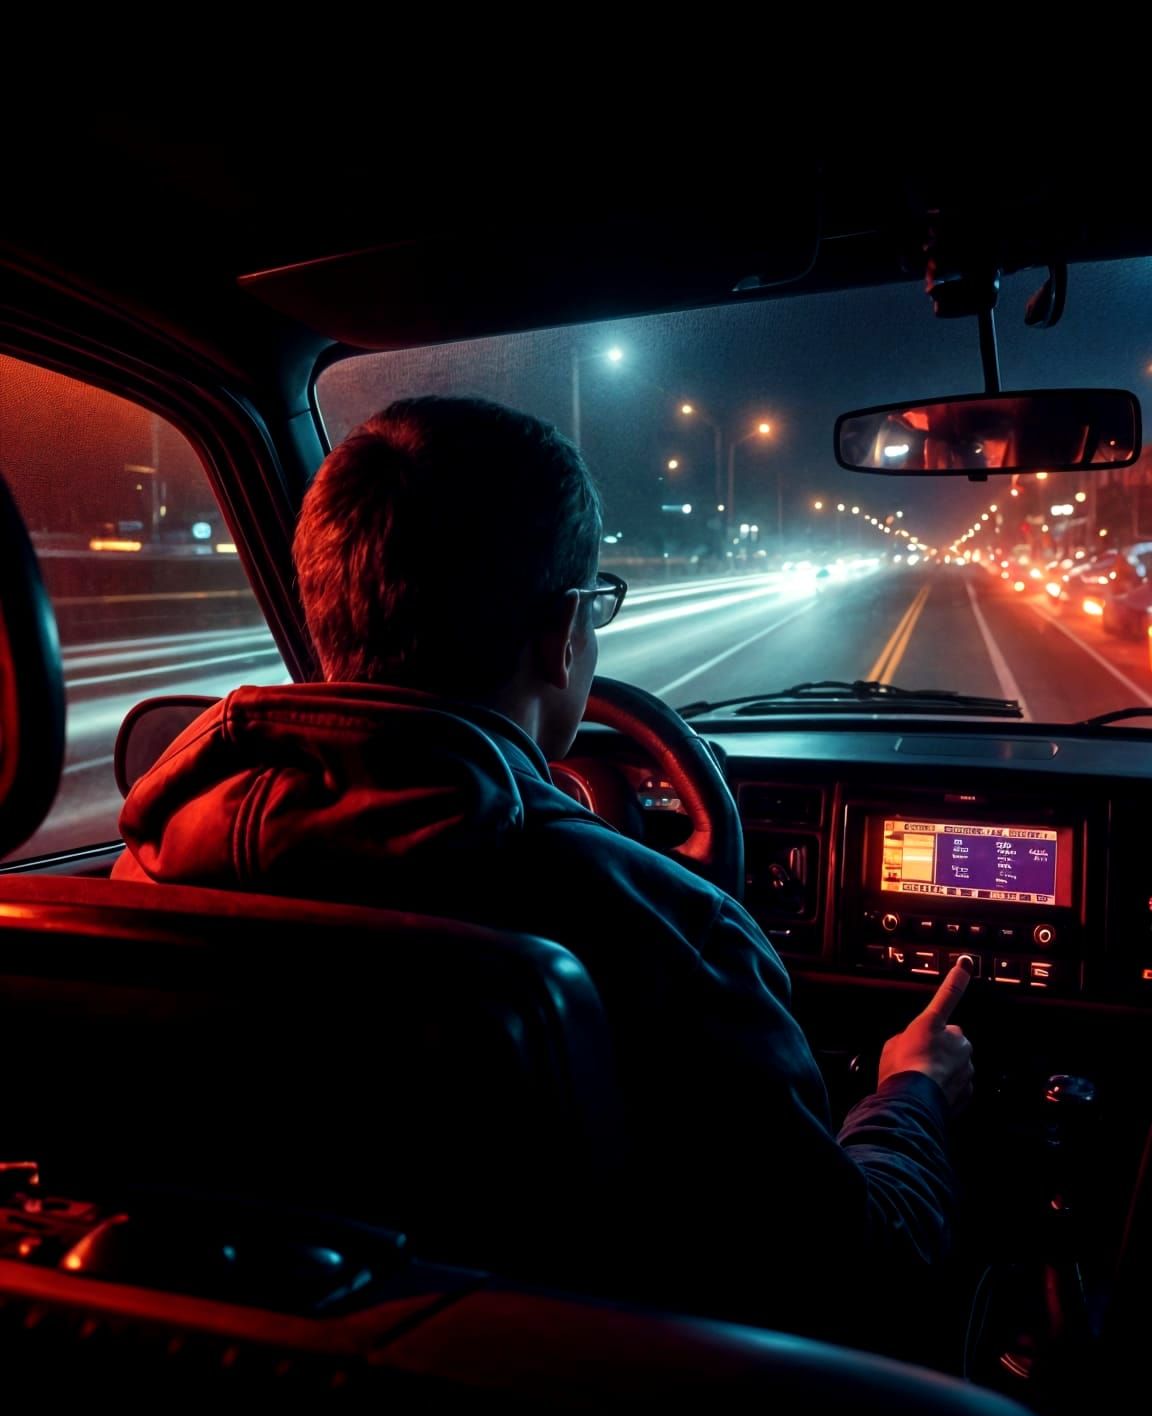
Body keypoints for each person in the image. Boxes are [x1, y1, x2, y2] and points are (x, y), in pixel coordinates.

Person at [114, 396, 973, 1347]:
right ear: (564, 631)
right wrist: (910, 1094)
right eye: (594, 607)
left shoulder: (140, 877)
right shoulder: (666, 929)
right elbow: (857, 1274)